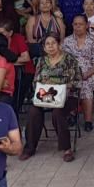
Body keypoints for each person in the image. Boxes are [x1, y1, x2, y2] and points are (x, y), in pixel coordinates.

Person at [19, 33, 82, 162]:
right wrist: (45, 86)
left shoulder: (70, 60)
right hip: (45, 96)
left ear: (59, 44)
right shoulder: (42, 61)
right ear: (44, 47)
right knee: (33, 112)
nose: (51, 46)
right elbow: (35, 81)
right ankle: (29, 148)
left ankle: (66, 149)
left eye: (53, 43)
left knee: (57, 113)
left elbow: (78, 82)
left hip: (66, 96)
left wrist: (61, 85)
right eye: (47, 44)